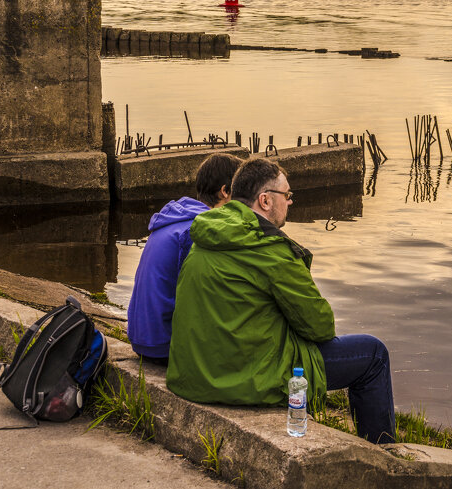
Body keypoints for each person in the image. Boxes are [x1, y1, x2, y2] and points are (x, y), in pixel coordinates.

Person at [167, 157, 395, 444]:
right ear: (264, 200)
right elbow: (321, 326)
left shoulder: (205, 234)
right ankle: (384, 454)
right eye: (286, 196)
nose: (290, 202)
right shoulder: (270, 249)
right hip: (243, 381)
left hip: (195, 377)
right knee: (373, 355)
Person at [127, 152, 242, 363]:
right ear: (225, 191)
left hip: (143, 338)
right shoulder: (197, 230)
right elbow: (199, 300)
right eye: (242, 193)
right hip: (163, 345)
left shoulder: (177, 218)